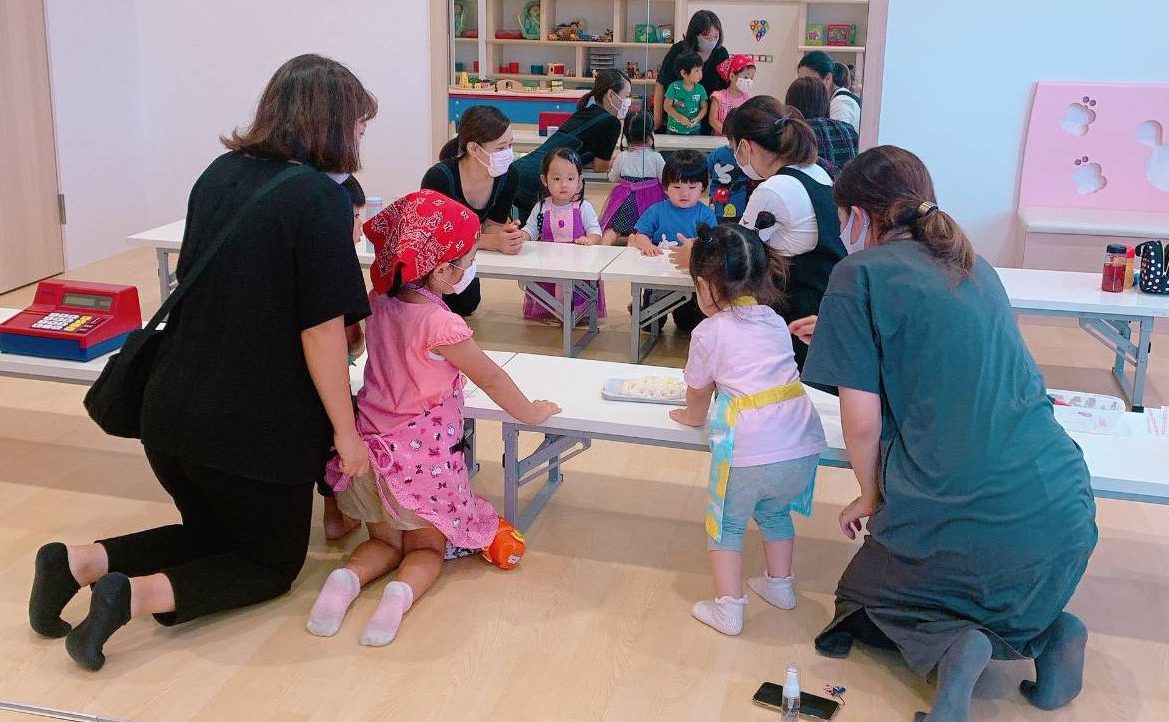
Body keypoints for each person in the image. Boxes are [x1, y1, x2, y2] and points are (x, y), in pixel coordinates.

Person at [28, 54, 377, 670]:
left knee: (212, 536)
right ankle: (129, 597)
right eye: (358, 124)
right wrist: (346, 435)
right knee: (269, 564)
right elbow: (322, 331)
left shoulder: (218, 174)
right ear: (332, 122)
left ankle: (77, 562)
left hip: (170, 411)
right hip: (253, 427)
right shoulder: (318, 199)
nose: (359, 137)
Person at [801, 146, 1097, 722]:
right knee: (993, 581)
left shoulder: (857, 274)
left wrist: (869, 496)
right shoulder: (974, 265)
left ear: (858, 215)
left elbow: (861, 422)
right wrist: (846, 336)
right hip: (1065, 507)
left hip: (966, 510)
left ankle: (956, 649)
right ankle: (1048, 633)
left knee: (860, 601)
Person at [307, 190, 560, 646]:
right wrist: (531, 411)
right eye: (465, 262)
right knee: (426, 547)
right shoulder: (442, 325)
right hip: (419, 464)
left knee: (382, 542)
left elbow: (356, 346)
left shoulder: (378, 300)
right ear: (440, 270)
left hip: (370, 451)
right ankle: (398, 598)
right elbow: (491, 378)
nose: (468, 269)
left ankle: (344, 581)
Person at [669, 223, 826, 636]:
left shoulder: (708, 331)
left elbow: (698, 390)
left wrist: (691, 417)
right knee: (775, 512)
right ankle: (780, 586)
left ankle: (729, 609)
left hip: (750, 447)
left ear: (704, 286)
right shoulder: (774, 319)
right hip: (802, 441)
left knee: (727, 525)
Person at [723, 96, 845, 370]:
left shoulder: (774, 188)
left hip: (797, 313)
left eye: (734, 149)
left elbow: (736, 253)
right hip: (825, 303)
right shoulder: (816, 172)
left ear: (745, 146)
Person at [422, 106, 524, 317]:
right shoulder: (439, 178)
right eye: (501, 148)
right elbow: (436, 236)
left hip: (466, 257)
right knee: (444, 304)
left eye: (510, 145)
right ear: (474, 149)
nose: (508, 154)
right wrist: (493, 242)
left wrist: (505, 235)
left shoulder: (509, 176)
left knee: (467, 304)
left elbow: (492, 225)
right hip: (436, 260)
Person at [319, 175, 373, 543]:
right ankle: (337, 511)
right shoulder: (339, 264)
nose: (360, 225)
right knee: (338, 430)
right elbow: (352, 340)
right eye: (355, 216)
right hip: (323, 381)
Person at [512, 70, 630, 221]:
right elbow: (601, 166)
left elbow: (571, 154)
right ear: (611, 95)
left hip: (520, 171)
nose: (628, 101)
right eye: (626, 96)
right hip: (539, 180)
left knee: (527, 231)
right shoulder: (611, 122)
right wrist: (616, 161)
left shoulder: (585, 112)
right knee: (548, 230)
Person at [630, 149, 718, 334]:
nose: (684, 193)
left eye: (692, 188)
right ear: (665, 187)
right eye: (677, 187)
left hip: (688, 278)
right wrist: (647, 245)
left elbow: (711, 243)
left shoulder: (706, 214)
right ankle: (639, 309)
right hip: (658, 275)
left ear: (703, 187)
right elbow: (640, 234)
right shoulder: (657, 210)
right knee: (649, 325)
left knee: (687, 325)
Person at [517, 148, 604, 322]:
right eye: (557, 179)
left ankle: (579, 313)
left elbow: (596, 233)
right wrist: (521, 236)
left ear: (579, 181)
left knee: (576, 293)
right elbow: (531, 229)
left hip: (577, 266)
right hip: (548, 264)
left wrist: (589, 240)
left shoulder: (583, 207)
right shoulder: (541, 207)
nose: (564, 184)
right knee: (548, 292)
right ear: (545, 180)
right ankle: (550, 311)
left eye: (570, 179)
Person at [654, 10, 730, 134]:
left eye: (716, 37)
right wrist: (657, 120)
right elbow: (661, 83)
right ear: (695, 35)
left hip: (708, 122)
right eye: (707, 37)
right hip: (674, 122)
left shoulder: (721, 54)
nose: (712, 41)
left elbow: (726, 90)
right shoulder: (678, 51)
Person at [600, 109, 667, 246]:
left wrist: (611, 168)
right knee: (647, 228)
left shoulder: (622, 156)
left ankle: (604, 245)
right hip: (651, 199)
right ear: (650, 133)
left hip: (626, 197)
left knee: (615, 228)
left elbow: (612, 177)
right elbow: (665, 180)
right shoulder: (656, 157)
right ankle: (635, 241)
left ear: (626, 134)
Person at [785, 77, 858, 180]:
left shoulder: (794, 134)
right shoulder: (848, 129)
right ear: (825, 101)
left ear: (791, 104)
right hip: (847, 188)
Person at [796, 51, 860, 132]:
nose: (803, 86)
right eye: (801, 81)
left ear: (828, 79)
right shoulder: (830, 100)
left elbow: (836, 137)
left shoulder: (841, 102)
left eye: (810, 81)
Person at [708, 54, 755, 135]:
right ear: (732, 76)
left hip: (739, 140)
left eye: (751, 78)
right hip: (719, 139)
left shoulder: (748, 99)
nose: (749, 81)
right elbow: (713, 120)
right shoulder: (718, 97)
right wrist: (729, 134)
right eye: (746, 77)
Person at [664, 53, 709, 135]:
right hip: (674, 130)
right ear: (683, 73)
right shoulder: (674, 87)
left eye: (701, 70)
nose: (700, 74)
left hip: (694, 130)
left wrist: (698, 118)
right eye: (696, 71)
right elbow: (667, 106)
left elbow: (704, 107)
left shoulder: (700, 89)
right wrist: (680, 118)